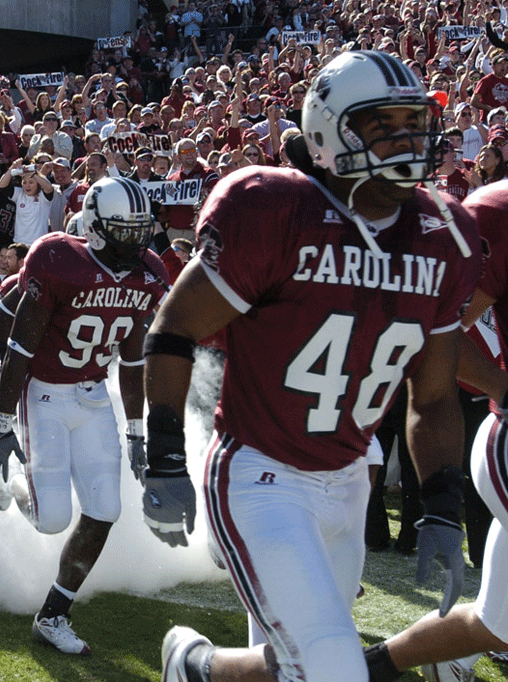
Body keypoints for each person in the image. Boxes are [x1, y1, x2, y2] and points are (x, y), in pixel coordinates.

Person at [150, 52, 482, 682]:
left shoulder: (445, 233)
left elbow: (433, 397)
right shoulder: (274, 209)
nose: (410, 140)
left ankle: (196, 668)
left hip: (350, 476)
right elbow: (174, 329)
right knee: (333, 666)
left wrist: (442, 498)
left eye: (416, 123)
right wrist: (164, 451)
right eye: (387, 125)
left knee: (299, 659)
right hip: (260, 474)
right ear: (332, 134)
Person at [0, 176, 171, 655]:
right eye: (124, 231)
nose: (136, 241)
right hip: (44, 393)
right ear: (95, 225)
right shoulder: (57, 258)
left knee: (105, 510)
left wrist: (135, 430)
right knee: (51, 521)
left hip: (93, 399)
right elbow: (20, 349)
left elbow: (132, 358)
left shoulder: (148, 273)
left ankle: (52, 616)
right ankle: (12, 485)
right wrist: (2, 427)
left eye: (140, 230)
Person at [359, 177, 508, 682]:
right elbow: (435, 328)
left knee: (496, 623)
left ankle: (371, 667)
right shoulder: (497, 210)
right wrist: (502, 385)